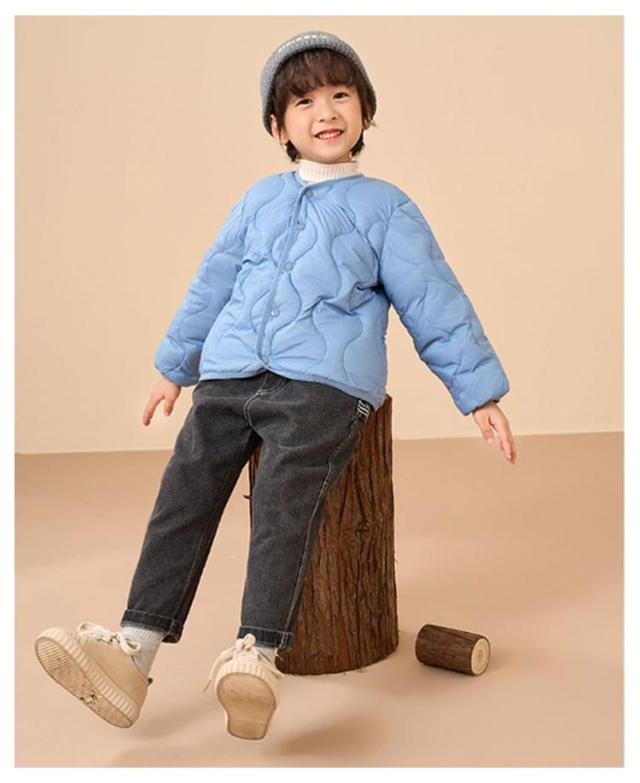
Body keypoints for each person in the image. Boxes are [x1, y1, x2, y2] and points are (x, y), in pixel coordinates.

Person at [34, 29, 517, 741]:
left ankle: (255, 654)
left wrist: (478, 392)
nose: (326, 111)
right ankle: (133, 651)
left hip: (323, 383)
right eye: (305, 101)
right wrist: (174, 367)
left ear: (365, 111)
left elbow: (434, 301)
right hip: (231, 374)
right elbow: (212, 284)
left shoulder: (386, 207)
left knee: (284, 499)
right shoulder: (259, 199)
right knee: (184, 489)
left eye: (341, 95)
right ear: (277, 126)